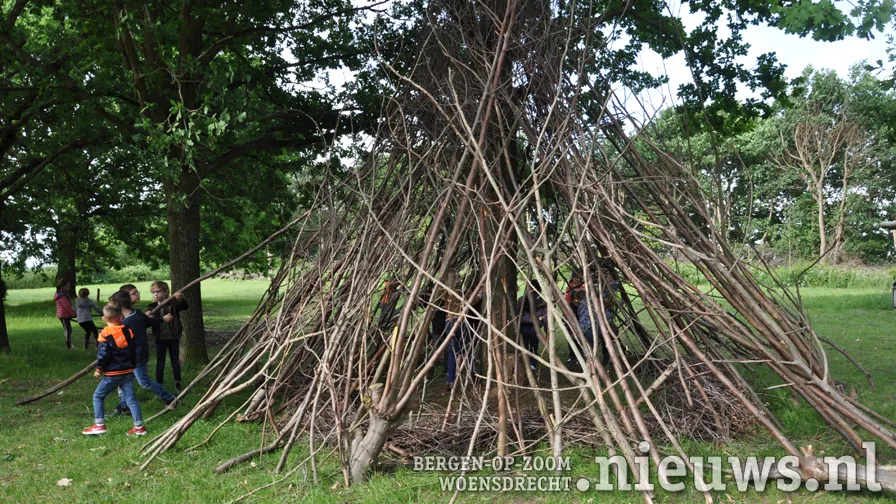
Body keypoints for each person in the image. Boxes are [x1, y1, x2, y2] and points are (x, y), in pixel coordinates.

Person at [109, 285, 176, 415]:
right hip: (133, 357)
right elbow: (149, 321)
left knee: (144, 381)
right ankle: (124, 407)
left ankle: (170, 398)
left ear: (119, 306)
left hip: (137, 357)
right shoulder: (137, 314)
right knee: (125, 380)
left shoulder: (127, 323)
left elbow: (123, 343)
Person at [82, 303, 146, 436]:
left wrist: (99, 369)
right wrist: (132, 365)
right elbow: (135, 349)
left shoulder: (105, 334)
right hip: (128, 371)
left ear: (104, 319)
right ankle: (139, 427)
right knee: (131, 399)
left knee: (98, 396)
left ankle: (99, 425)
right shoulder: (128, 331)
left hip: (113, 373)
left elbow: (103, 354)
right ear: (121, 316)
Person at [147, 281, 188, 393]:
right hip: (160, 338)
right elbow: (150, 322)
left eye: (158, 291)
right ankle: (159, 384)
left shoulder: (173, 304)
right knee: (160, 363)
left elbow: (184, 306)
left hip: (173, 337)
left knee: (175, 361)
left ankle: (178, 383)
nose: (156, 294)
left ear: (165, 292)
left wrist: (178, 299)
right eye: (153, 292)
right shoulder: (152, 306)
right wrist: (148, 316)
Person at [517, 279, 548, 371]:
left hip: (523, 327)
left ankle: (526, 366)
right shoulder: (542, 302)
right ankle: (532, 366)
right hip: (535, 328)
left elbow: (516, 314)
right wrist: (547, 331)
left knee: (524, 348)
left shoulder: (521, 300)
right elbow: (545, 318)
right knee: (534, 348)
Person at [53, 281, 77, 350]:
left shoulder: (61, 294)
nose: (68, 288)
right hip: (64, 315)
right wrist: (74, 314)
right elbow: (67, 307)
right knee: (68, 330)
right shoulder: (62, 296)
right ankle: (68, 346)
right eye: (67, 286)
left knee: (68, 330)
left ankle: (69, 345)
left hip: (63, 314)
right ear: (61, 287)